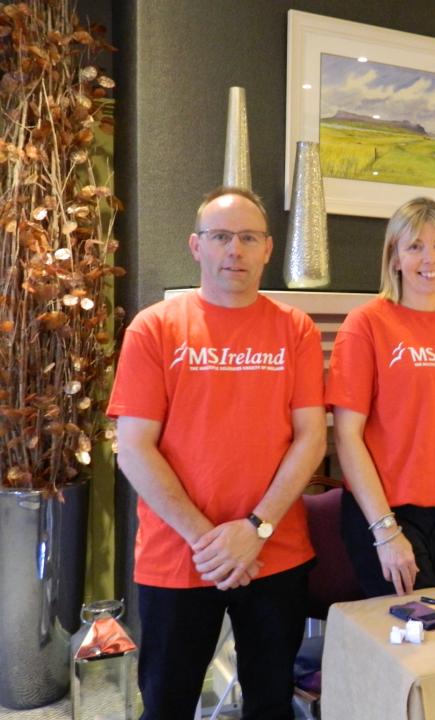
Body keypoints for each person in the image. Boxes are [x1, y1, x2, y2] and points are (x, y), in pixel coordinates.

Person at [107, 187, 327, 719]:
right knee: (166, 703)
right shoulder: (155, 328)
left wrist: (255, 529)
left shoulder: (294, 329)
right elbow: (133, 449)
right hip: (178, 557)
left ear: (268, 249)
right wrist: (209, 542)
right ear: (196, 246)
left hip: (274, 551)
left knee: (272, 702)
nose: (235, 250)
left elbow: (312, 438)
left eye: (248, 237)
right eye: (221, 236)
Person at [326, 197, 435, 596]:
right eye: (415, 245)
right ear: (395, 257)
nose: (430, 258)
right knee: (417, 645)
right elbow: (347, 435)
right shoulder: (366, 324)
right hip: (386, 515)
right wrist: (385, 531)